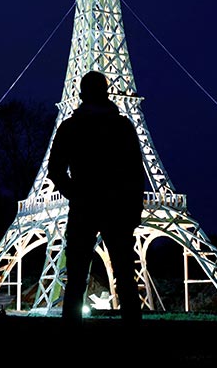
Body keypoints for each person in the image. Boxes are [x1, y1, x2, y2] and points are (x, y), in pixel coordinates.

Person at [47, 70, 147, 328]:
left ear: (81, 94)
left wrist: (75, 193)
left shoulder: (70, 127)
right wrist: (133, 207)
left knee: (76, 278)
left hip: (84, 208)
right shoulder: (123, 127)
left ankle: (71, 331)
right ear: (106, 92)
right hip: (117, 207)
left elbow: (55, 169)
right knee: (125, 275)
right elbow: (137, 171)